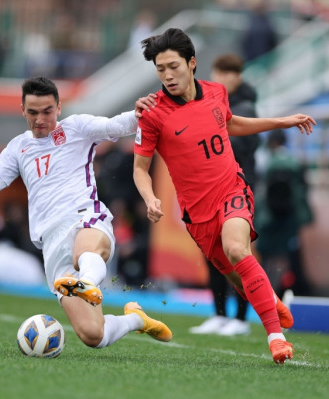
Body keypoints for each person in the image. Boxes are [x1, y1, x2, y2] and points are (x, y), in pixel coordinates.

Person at [0, 77, 172, 350]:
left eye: (47, 111)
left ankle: (87, 283)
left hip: (85, 217)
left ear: (58, 107)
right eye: (33, 112)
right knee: (94, 335)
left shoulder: (77, 127)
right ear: (23, 110)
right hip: (51, 242)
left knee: (85, 254)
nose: (40, 119)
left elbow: (117, 124)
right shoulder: (18, 149)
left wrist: (138, 113)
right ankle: (135, 320)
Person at [134, 28, 316, 364]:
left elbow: (232, 124)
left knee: (237, 248)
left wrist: (282, 122)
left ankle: (275, 337)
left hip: (232, 189)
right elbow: (140, 169)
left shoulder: (217, 92)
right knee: (236, 276)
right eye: (160, 70)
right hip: (196, 212)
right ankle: (271, 299)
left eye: (173, 66)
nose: (168, 75)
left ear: (192, 63)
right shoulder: (152, 113)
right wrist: (150, 198)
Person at [189, 53, 259, 336]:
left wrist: (210, 139)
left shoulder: (246, 106)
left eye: (227, 74)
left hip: (238, 189)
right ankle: (219, 314)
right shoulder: (210, 101)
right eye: (218, 74)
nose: (221, 80)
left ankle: (241, 318)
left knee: (238, 253)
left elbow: (245, 145)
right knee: (213, 252)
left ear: (237, 76)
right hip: (212, 188)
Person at [255, 129, 314, 299]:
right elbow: (303, 191)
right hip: (290, 219)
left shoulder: (265, 161)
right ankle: (294, 293)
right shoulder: (295, 162)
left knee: (265, 256)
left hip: (267, 218)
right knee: (290, 256)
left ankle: (264, 293)